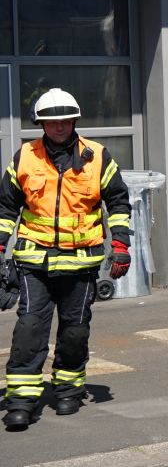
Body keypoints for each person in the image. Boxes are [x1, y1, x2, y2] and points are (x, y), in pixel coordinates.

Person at [0, 88, 132, 429]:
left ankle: (68, 390)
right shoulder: (25, 156)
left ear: (74, 121)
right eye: (51, 122)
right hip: (35, 263)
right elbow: (6, 207)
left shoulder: (97, 156)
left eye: (65, 121)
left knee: (74, 332)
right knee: (30, 328)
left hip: (80, 264)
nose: (58, 127)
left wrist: (120, 244)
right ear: (41, 124)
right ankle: (21, 400)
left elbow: (118, 201)